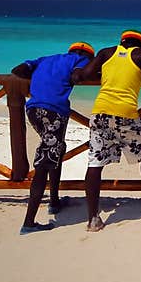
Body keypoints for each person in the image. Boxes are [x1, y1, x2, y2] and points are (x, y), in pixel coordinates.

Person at [75, 29, 141, 231]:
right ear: (140, 44)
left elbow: (86, 73)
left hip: (100, 113)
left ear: (121, 40)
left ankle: (93, 219)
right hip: (125, 115)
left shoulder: (105, 53)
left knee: (95, 163)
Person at [11, 41, 95, 235]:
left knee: (55, 152)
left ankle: (54, 201)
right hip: (53, 111)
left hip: (33, 109)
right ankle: (29, 222)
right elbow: (77, 76)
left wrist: (41, 81)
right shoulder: (80, 60)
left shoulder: (45, 59)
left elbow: (18, 70)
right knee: (44, 163)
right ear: (87, 55)